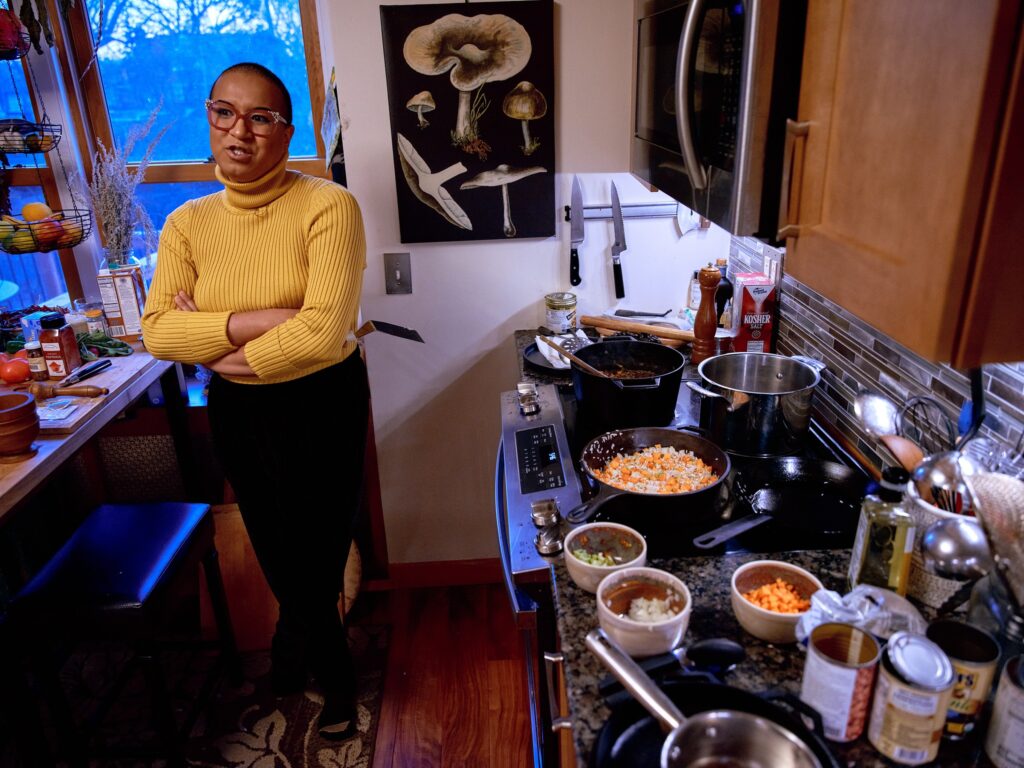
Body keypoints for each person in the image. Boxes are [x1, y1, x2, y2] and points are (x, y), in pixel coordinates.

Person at [140, 62, 368, 741]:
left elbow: (326, 331)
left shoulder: (329, 205)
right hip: (239, 408)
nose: (240, 132)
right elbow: (157, 330)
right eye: (224, 113)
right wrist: (256, 323)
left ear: (285, 130)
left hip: (324, 401)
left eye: (260, 117)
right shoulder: (185, 224)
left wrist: (208, 338)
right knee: (274, 544)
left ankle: (332, 677)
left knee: (321, 550)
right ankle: (299, 646)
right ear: (209, 122)